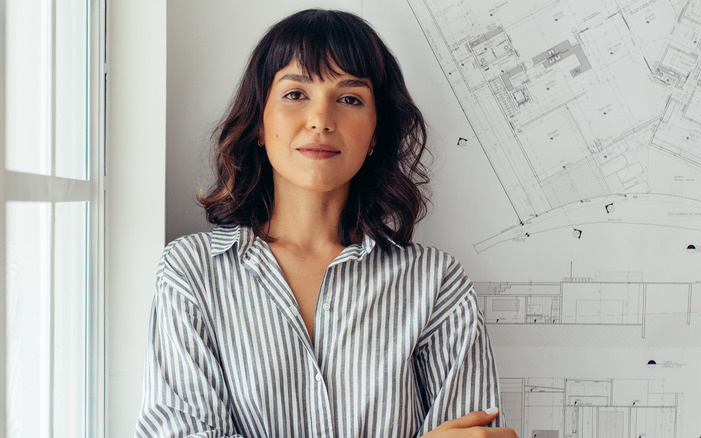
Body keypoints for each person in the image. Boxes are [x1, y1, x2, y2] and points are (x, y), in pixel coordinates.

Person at [136, 9, 515, 438]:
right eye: (295, 94)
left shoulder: (437, 283)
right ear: (259, 122)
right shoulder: (191, 272)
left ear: (375, 135)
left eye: (350, 98)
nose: (321, 120)